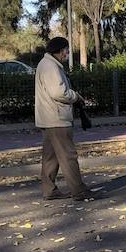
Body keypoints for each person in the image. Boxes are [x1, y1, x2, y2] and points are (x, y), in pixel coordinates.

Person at [36, 36, 96, 201]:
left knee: (51, 157)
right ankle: (79, 190)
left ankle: (49, 190)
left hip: (49, 118)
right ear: (60, 50)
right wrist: (75, 96)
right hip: (57, 118)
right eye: (67, 50)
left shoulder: (47, 64)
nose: (68, 53)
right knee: (68, 156)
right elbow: (58, 92)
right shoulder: (50, 66)